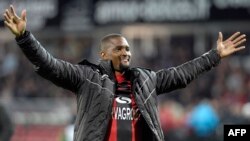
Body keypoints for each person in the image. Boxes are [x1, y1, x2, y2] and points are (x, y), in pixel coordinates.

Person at [2, 5, 246, 141]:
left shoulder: (146, 80)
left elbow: (181, 74)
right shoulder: (88, 78)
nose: (126, 53)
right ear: (105, 55)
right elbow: (50, 65)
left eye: (128, 49)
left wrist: (214, 56)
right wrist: (25, 37)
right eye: (119, 49)